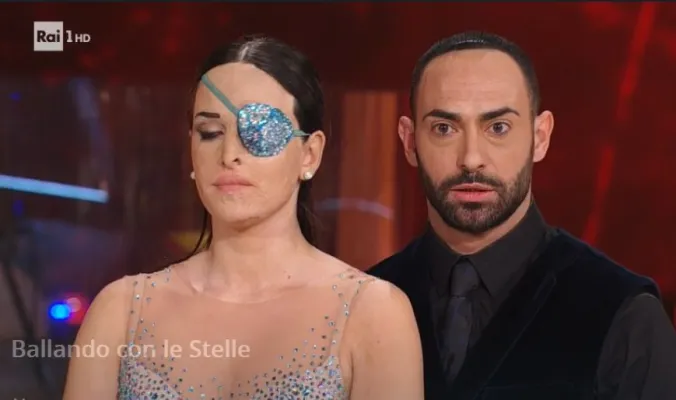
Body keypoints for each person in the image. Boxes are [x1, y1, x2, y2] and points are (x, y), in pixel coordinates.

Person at [63, 35, 424, 400]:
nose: (229, 154)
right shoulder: (121, 311)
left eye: (260, 132)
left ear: (310, 154)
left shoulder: (373, 314)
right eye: (210, 133)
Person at [369, 31, 676, 400]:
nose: (471, 159)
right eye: (444, 128)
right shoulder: (364, 303)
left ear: (540, 136)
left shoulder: (622, 312)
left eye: (498, 128)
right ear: (409, 141)